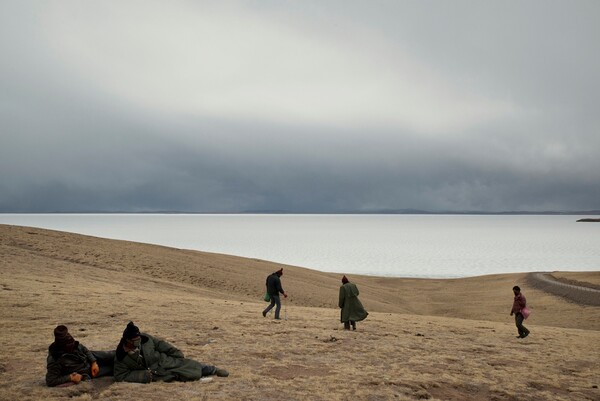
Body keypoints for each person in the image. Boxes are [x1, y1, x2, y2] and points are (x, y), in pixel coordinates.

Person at [113, 321, 229, 383]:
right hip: (154, 373)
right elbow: (120, 375)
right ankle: (200, 376)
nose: (138, 341)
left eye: (138, 338)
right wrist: (144, 376)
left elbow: (161, 345)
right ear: (127, 340)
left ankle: (212, 369)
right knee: (179, 375)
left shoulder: (146, 338)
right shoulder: (121, 356)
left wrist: (176, 353)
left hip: (163, 360)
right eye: (135, 340)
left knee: (186, 364)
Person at [46, 325, 115, 387]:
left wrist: (93, 361)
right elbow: (51, 381)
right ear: (62, 347)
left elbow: (84, 349)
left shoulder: (72, 343)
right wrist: (70, 377)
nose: (73, 347)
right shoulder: (55, 359)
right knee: (114, 369)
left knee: (113, 354)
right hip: (87, 372)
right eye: (70, 347)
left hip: (91, 357)